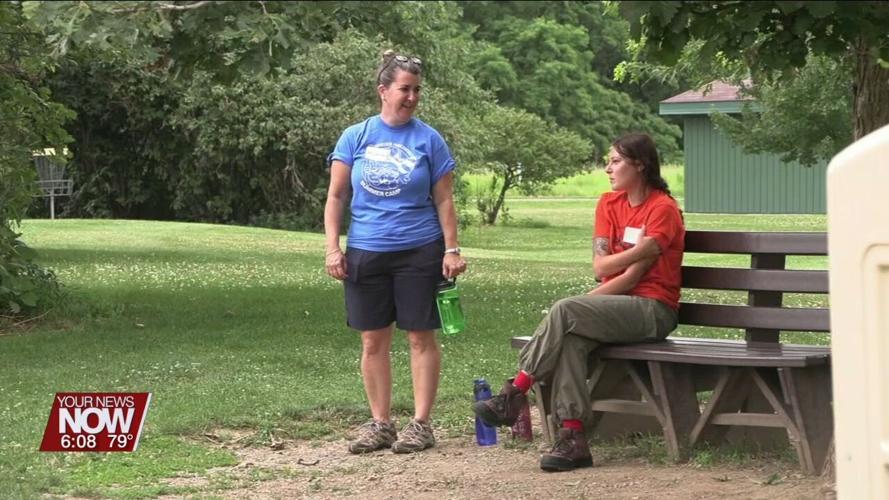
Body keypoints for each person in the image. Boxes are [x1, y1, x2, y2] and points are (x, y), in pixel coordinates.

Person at [473, 133, 684, 472]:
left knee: (565, 310)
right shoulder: (608, 204)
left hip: (653, 310)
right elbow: (600, 268)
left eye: (615, 161)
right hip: (614, 307)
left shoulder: (663, 209)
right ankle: (573, 439)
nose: (607, 168)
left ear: (640, 165)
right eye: (608, 161)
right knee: (570, 341)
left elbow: (630, 279)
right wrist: (632, 255)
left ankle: (515, 392)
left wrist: (580, 300)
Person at [324, 50, 466, 454]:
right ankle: (381, 424)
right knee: (373, 342)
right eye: (405, 89)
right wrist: (332, 248)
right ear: (383, 91)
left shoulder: (429, 139)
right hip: (366, 251)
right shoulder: (356, 136)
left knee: (420, 337)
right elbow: (336, 197)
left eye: (417, 90)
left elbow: (444, 199)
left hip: (419, 250)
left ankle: (421, 424)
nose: (412, 97)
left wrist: (451, 249)